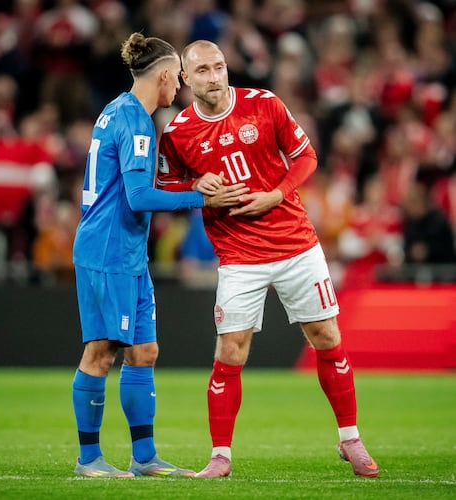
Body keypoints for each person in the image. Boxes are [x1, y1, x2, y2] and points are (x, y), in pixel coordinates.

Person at [157, 40, 379, 479]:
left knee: (327, 337)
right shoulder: (178, 132)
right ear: (185, 78)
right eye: (202, 70)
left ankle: (350, 439)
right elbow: (165, 189)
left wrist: (276, 195)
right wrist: (198, 188)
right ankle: (220, 456)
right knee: (230, 351)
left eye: (219, 67)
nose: (214, 76)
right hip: (238, 255)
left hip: (295, 243)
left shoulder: (264, 104)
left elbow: (306, 157)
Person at [71, 33, 248, 478]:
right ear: (167, 76)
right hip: (108, 250)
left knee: (144, 350)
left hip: (127, 252)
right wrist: (200, 198)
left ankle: (144, 457)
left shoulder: (117, 110)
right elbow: (136, 196)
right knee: (100, 352)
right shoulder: (135, 120)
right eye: (179, 82)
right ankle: (89, 458)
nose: (181, 91)